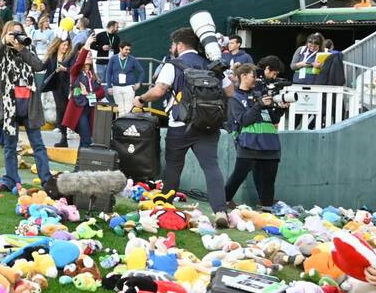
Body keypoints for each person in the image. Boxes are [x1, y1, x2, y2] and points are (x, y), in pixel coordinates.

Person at [134, 27, 232, 228]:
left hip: (180, 124)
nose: (172, 48)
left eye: (173, 45)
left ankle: (166, 206)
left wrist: (141, 99)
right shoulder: (213, 65)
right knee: (211, 167)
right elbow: (230, 92)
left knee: (173, 167)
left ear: (179, 45)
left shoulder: (174, 65)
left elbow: (159, 90)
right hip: (208, 125)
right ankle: (220, 210)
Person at [0, 20, 56, 195]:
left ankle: (46, 180)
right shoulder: (2, 52)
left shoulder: (27, 48)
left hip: (29, 105)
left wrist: (21, 49)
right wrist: (3, 43)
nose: (17, 36)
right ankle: (10, 179)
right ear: (7, 34)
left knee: (38, 145)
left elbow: (38, 66)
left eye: (20, 33)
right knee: (10, 146)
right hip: (9, 106)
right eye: (14, 33)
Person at [223, 63, 285, 208]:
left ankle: (267, 210)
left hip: (270, 144)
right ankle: (222, 202)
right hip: (248, 144)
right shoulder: (235, 97)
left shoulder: (260, 94)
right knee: (238, 176)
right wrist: (259, 105)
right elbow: (243, 120)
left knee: (269, 180)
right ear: (243, 76)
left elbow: (273, 119)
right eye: (253, 76)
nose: (256, 79)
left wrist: (281, 110)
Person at [61, 46, 105, 145]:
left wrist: (89, 93)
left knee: (85, 140)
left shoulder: (93, 75)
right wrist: (87, 46)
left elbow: (102, 92)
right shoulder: (75, 72)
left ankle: (81, 160)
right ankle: (84, 159)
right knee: (87, 139)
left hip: (90, 109)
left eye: (90, 55)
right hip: (79, 110)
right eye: (86, 55)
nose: (89, 56)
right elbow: (79, 62)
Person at [42, 38, 75, 148]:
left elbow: (75, 69)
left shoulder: (70, 56)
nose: (65, 47)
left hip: (68, 86)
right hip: (56, 87)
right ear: (58, 44)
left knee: (66, 110)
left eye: (67, 45)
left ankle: (67, 134)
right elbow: (41, 67)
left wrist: (65, 69)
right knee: (60, 109)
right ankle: (63, 137)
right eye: (64, 45)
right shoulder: (52, 56)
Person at [106, 41, 144, 111]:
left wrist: (139, 83)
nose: (128, 51)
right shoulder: (113, 59)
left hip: (129, 87)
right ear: (120, 49)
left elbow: (141, 71)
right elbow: (108, 73)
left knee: (128, 109)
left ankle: (127, 122)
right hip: (116, 87)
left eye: (129, 49)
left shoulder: (132, 59)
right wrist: (109, 87)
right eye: (126, 49)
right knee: (120, 109)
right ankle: (120, 122)